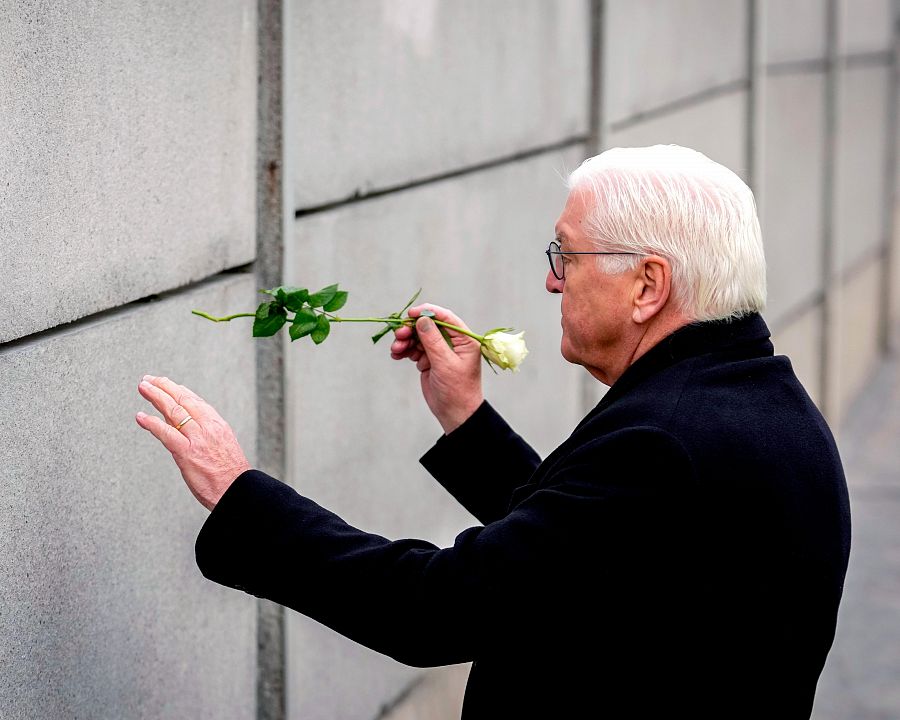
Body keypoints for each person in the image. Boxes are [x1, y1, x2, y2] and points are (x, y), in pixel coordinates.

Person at [136, 145, 851, 719]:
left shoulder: (664, 440)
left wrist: (242, 497)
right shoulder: (759, 401)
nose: (552, 281)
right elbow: (590, 557)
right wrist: (466, 418)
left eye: (565, 255)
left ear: (647, 285)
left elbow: (435, 607)